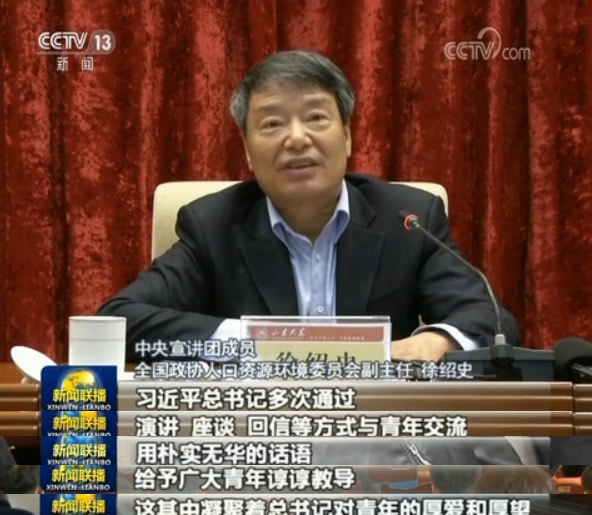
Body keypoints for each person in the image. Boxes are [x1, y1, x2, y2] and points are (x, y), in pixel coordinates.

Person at [98, 50, 520, 362]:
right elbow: (118, 322)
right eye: (272, 123)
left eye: (316, 118)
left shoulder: (408, 219)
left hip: (378, 432)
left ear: (347, 136)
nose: (297, 138)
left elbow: (492, 320)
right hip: (262, 431)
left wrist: (438, 340)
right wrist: (254, 341)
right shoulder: (213, 225)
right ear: (246, 150)